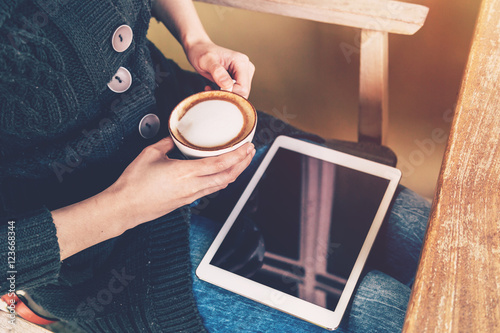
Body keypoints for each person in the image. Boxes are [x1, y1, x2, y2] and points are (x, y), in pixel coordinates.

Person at [0, 0, 430, 332]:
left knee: (427, 229)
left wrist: (196, 39)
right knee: (384, 310)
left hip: (196, 121)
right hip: (102, 253)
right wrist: (126, 206)